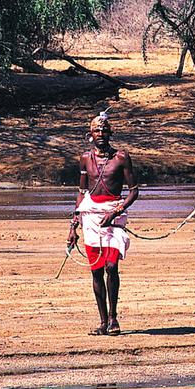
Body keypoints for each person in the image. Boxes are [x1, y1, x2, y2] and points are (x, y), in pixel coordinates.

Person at [68, 111, 139, 336]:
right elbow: (81, 193)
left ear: (111, 133)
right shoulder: (85, 159)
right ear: (90, 134)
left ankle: (113, 318)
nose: (101, 133)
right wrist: (73, 225)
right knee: (96, 271)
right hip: (90, 216)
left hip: (114, 215)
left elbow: (134, 191)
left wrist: (117, 210)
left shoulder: (121, 157)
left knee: (111, 266)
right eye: (97, 130)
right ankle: (102, 321)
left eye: (104, 130)